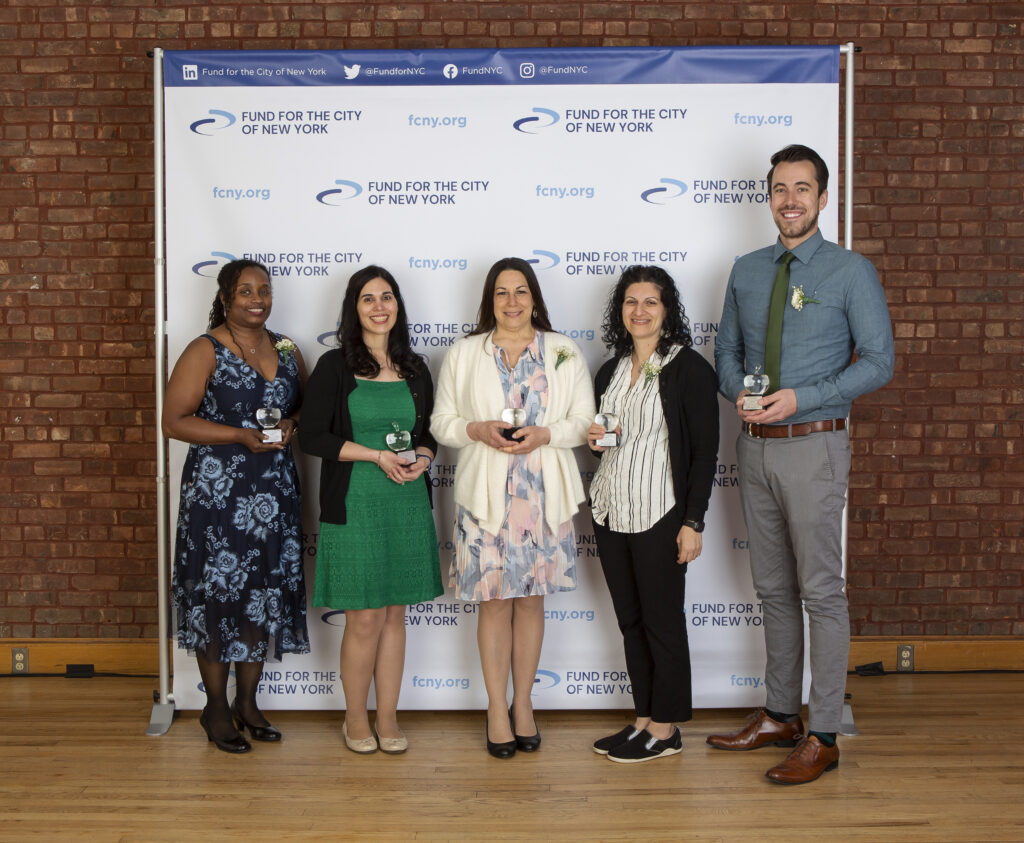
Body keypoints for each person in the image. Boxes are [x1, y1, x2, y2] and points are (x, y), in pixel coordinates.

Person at [709, 144, 895, 783]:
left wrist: (801, 398)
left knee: (820, 591)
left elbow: (879, 363)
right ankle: (780, 714)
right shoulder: (748, 269)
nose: (790, 200)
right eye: (780, 189)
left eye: (802, 189)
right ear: (769, 196)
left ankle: (823, 732)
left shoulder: (850, 272)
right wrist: (739, 390)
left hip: (815, 444)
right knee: (772, 590)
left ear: (822, 197)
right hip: (753, 450)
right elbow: (725, 350)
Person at [431, 257, 595, 758]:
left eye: (521, 291)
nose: (512, 302)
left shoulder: (563, 350)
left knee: (530, 601)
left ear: (535, 297)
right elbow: (441, 423)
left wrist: (547, 433)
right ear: (490, 300)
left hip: (544, 497)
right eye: (502, 293)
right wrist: (475, 430)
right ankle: (496, 710)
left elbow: (584, 420)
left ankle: (524, 704)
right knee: (494, 602)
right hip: (486, 501)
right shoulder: (464, 353)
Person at [164, 259, 310, 754]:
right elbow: (174, 420)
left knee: (262, 593)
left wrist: (291, 424)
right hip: (218, 497)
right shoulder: (205, 349)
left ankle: (248, 703)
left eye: (264, 290)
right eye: (245, 290)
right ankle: (216, 708)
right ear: (226, 298)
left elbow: (306, 407)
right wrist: (238, 436)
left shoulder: (288, 348)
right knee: (218, 596)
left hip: (274, 494)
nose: (257, 298)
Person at [299, 266, 442, 755]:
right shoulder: (334, 365)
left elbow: (429, 433)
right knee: (364, 620)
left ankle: (388, 718)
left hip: (406, 503)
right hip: (355, 502)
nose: (379, 306)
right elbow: (312, 434)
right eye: (367, 299)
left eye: (387, 297)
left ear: (398, 306)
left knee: (396, 617)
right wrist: (376, 455)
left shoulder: (416, 367)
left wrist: (422, 457)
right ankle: (355, 718)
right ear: (353, 309)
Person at [586, 266, 719, 764]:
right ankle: (643, 717)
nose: (639, 311)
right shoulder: (611, 370)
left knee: (663, 623)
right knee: (631, 622)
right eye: (630, 302)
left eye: (650, 302)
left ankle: (666, 729)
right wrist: (596, 444)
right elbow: (610, 441)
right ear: (620, 311)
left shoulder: (689, 368)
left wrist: (694, 521)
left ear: (667, 311)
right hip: (611, 508)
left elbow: (705, 452)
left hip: (660, 511)